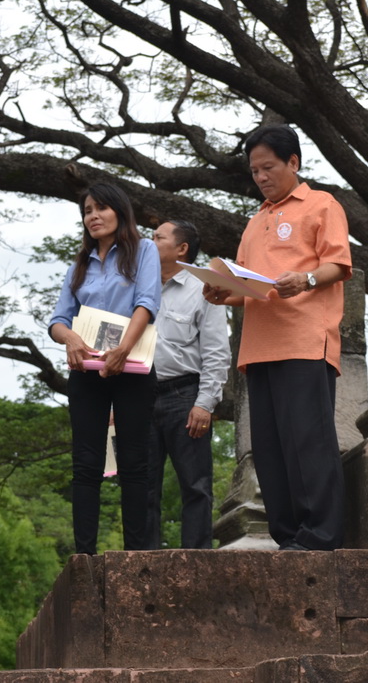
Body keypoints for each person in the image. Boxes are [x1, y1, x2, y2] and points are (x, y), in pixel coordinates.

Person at [202, 125, 351, 551]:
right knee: (268, 449)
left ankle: (320, 536)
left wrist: (305, 279)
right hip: (258, 347)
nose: (261, 177)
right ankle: (287, 538)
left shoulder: (322, 204)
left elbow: (339, 264)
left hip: (304, 339)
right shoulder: (255, 222)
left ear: (293, 162)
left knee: (308, 440)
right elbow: (248, 287)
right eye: (254, 171)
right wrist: (222, 293)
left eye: (268, 167)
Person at [49, 183, 161, 555]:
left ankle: (135, 558)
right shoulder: (78, 264)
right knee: (86, 464)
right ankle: (84, 557)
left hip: (132, 368)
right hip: (87, 372)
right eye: (87, 211)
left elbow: (147, 302)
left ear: (119, 211)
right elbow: (58, 319)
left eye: (101, 208)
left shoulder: (144, 250)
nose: (93, 216)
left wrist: (123, 350)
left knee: (134, 463)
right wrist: (69, 338)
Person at [146, 220, 230, 549]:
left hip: (184, 396)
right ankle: (142, 561)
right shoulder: (137, 286)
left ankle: (197, 561)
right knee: (141, 486)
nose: (149, 241)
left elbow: (216, 352)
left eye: (157, 237)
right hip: (138, 395)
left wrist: (205, 403)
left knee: (195, 485)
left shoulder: (204, 288)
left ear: (181, 249)